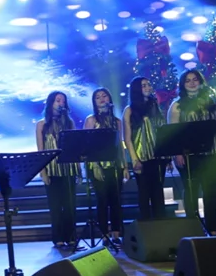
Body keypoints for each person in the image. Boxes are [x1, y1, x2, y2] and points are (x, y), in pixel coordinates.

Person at [167, 70, 216, 234]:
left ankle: (213, 227)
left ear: (201, 82)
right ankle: (193, 226)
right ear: (182, 84)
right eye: (188, 80)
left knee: (211, 190)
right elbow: (172, 132)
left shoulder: (211, 102)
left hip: (212, 152)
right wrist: (177, 153)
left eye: (195, 80)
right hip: (188, 154)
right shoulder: (177, 105)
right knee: (191, 190)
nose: (192, 83)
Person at [84, 88, 125, 249]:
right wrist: (94, 166)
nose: (102, 99)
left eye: (104, 96)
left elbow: (119, 145)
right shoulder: (91, 120)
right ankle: (104, 234)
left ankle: (116, 233)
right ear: (94, 102)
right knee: (102, 200)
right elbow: (87, 145)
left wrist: (124, 165)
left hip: (115, 165)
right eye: (98, 97)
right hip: (97, 165)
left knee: (116, 200)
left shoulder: (117, 121)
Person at [36, 91, 78, 249]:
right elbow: (40, 151)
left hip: (68, 169)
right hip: (51, 169)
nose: (60, 103)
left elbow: (74, 147)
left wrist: (78, 170)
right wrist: (43, 172)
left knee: (70, 204)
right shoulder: (42, 124)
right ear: (50, 103)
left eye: (63, 101)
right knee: (55, 205)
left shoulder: (69, 123)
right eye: (57, 100)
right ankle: (58, 238)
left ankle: (71, 236)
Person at [123, 77, 167, 219]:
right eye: (144, 85)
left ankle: (161, 224)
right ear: (137, 89)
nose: (148, 87)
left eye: (148, 84)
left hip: (158, 155)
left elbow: (162, 130)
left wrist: (168, 155)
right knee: (144, 192)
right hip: (141, 157)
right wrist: (135, 160)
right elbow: (127, 138)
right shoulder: (129, 110)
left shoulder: (155, 106)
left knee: (158, 191)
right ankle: (147, 227)